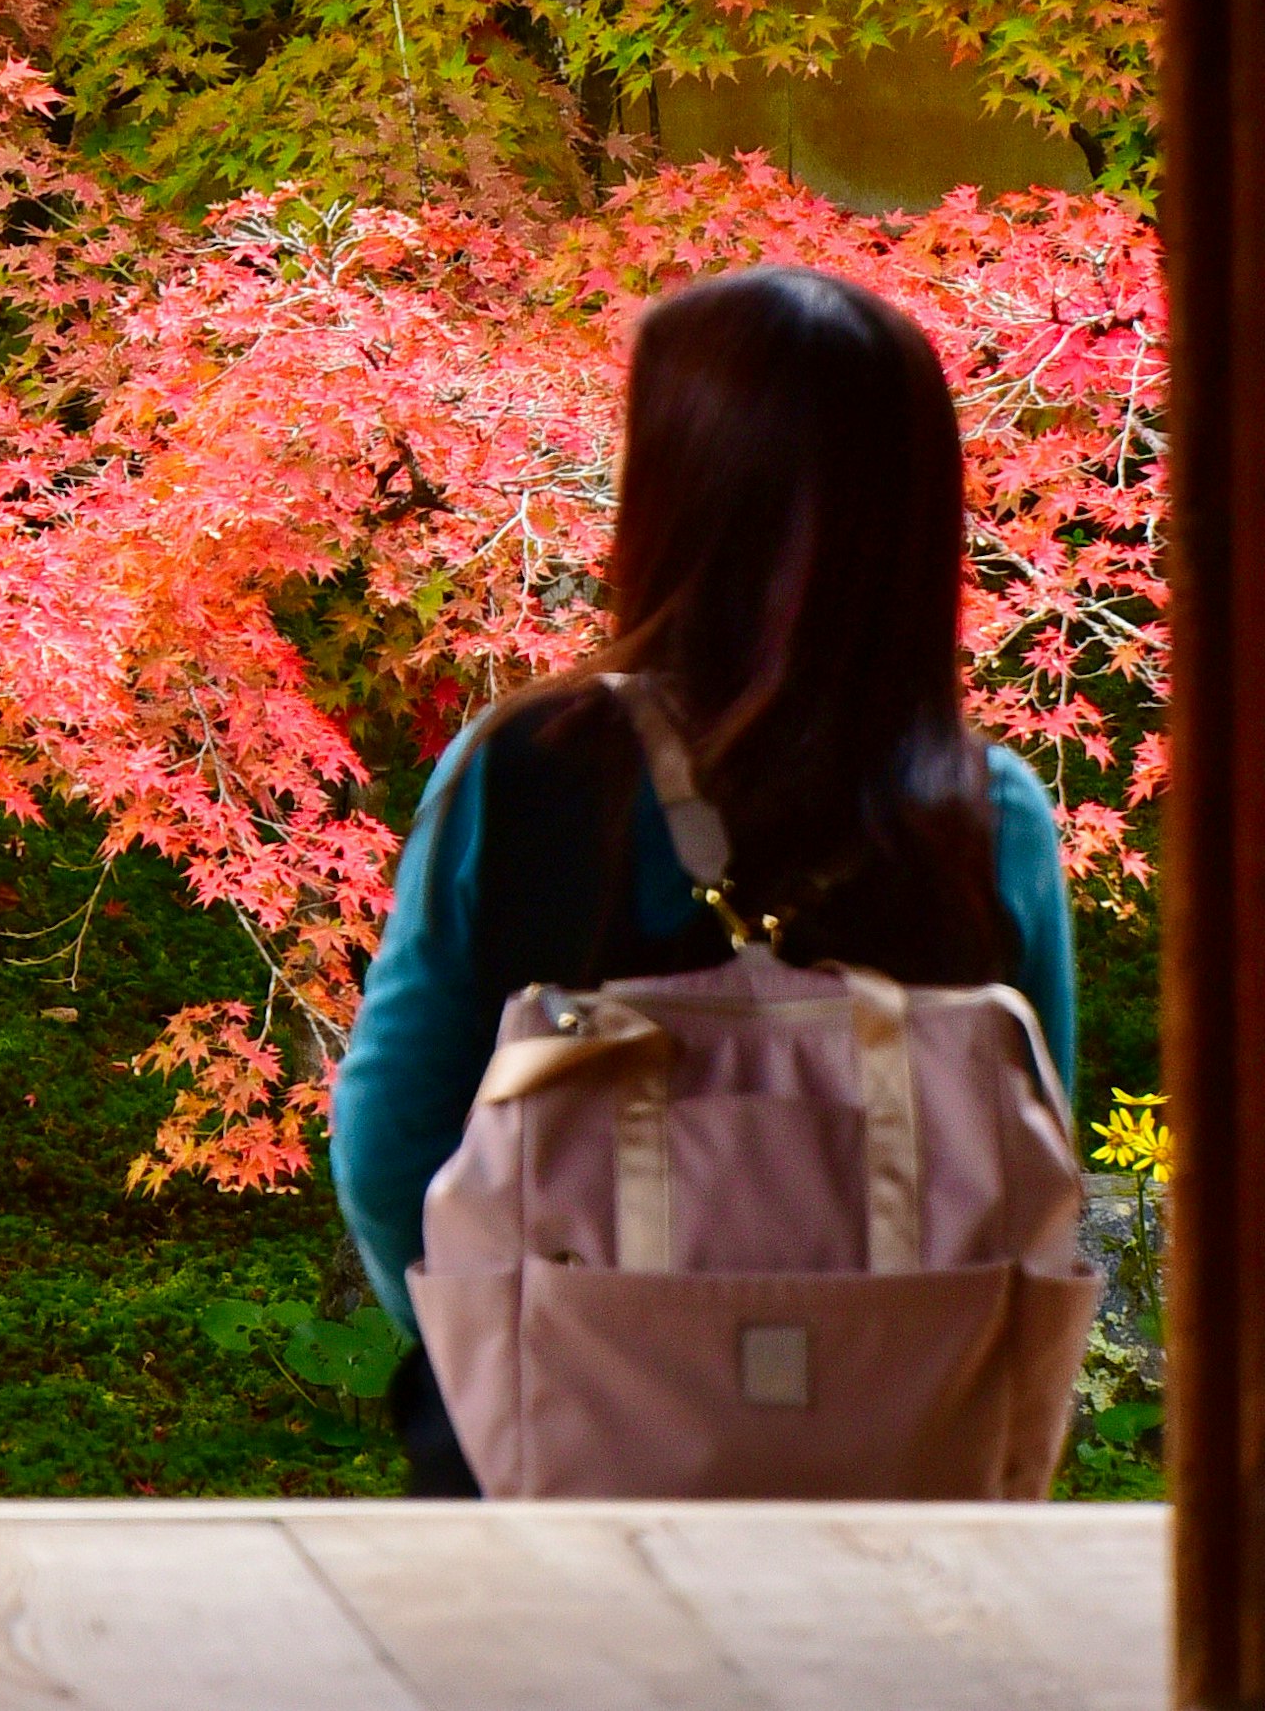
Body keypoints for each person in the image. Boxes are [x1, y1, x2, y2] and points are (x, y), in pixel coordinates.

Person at [327, 258, 1079, 1497]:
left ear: (673, 484)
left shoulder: (526, 770)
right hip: (906, 1480)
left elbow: (393, 1134)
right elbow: (1026, 1153)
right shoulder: (984, 812)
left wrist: (523, 1351)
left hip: (547, 1465)